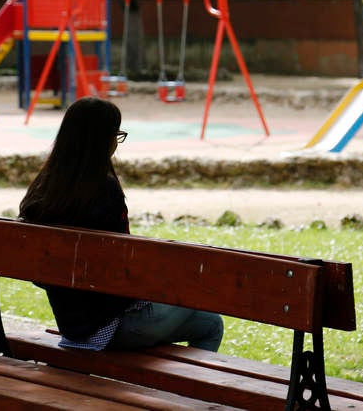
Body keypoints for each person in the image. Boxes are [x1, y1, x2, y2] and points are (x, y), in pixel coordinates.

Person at [19, 97, 223, 352]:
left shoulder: (43, 190)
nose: (116, 141)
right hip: (111, 325)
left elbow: (39, 274)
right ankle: (182, 392)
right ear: (102, 140)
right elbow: (123, 266)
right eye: (116, 134)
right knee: (201, 303)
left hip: (72, 326)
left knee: (209, 322)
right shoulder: (104, 191)